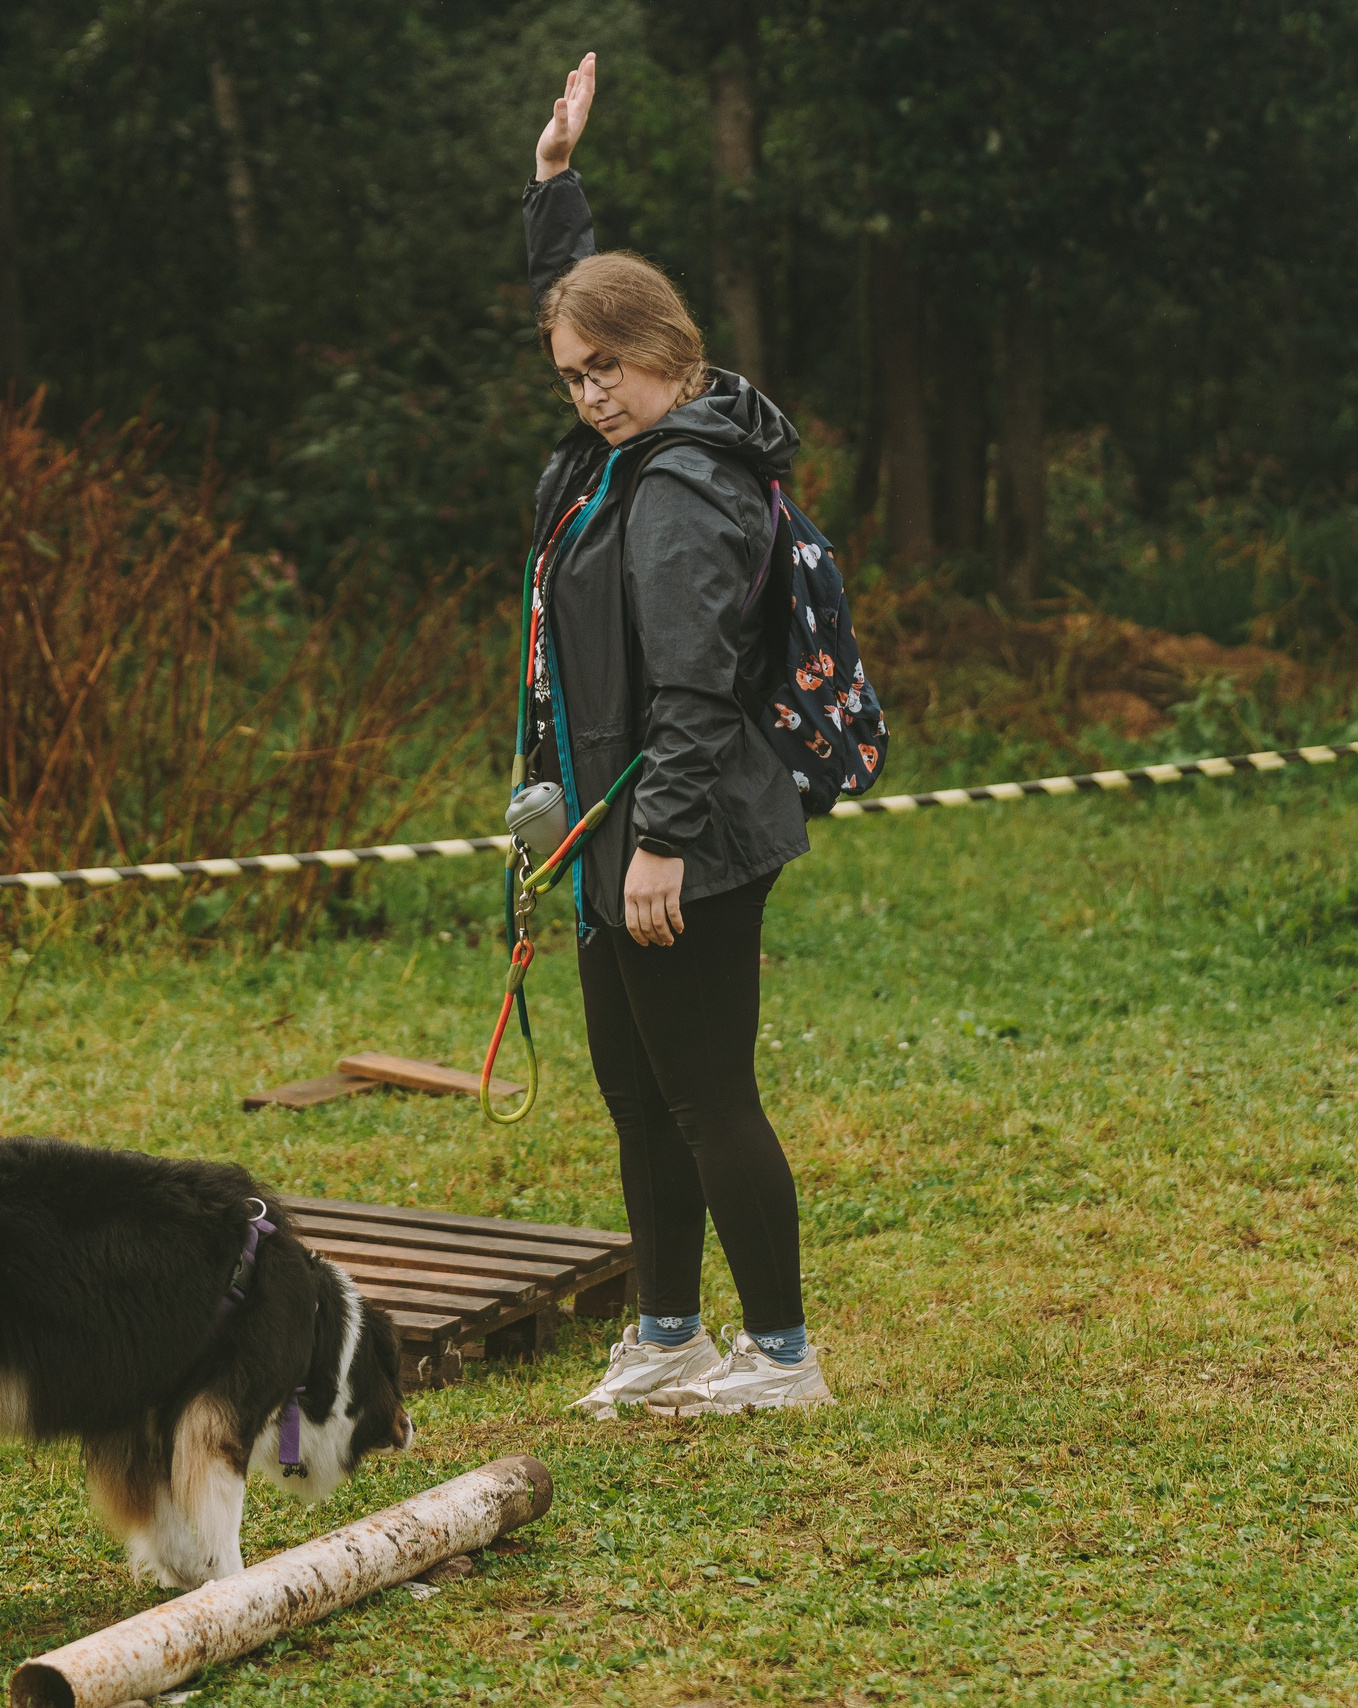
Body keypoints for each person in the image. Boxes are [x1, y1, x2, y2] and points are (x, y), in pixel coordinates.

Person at [519, 53, 830, 1418]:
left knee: (707, 1095)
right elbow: (569, 296)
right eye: (573, 374)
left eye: (610, 370)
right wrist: (554, 189)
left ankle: (782, 1356)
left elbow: (698, 691)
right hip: (609, 825)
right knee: (639, 1100)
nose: (590, 393)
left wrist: (662, 851)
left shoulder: (685, 484)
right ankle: (665, 1332)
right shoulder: (616, 460)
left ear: (669, 359)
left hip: (677, 829)